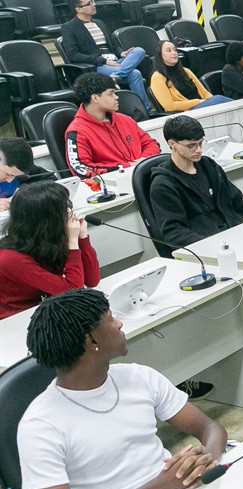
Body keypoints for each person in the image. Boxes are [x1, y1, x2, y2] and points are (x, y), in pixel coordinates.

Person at [18, 288, 227, 489]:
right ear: (91, 340)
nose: (120, 323)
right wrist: (159, 488)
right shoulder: (40, 426)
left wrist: (207, 460)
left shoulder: (138, 377)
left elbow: (210, 428)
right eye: (110, 319)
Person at [148, 115, 243, 248]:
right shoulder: (163, 185)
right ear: (172, 144)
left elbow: (238, 203)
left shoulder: (209, 166)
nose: (199, 150)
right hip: (209, 246)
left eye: (201, 143)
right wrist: (211, 245)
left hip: (236, 235)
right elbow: (174, 233)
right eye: (191, 146)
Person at [0, 181, 100, 319]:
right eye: (64, 209)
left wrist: (82, 237)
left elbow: (92, 280)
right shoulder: (10, 258)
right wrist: (72, 242)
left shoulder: (49, 239)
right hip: (14, 319)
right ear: (48, 220)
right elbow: (74, 291)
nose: (70, 213)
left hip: (44, 309)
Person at [59, 0, 153, 115]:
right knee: (134, 74)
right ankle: (147, 112)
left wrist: (121, 53)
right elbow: (72, 55)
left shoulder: (100, 23)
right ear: (79, 9)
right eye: (89, 3)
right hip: (98, 65)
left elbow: (114, 45)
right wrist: (103, 61)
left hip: (115, 62)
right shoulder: (69, 27)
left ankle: (115, 77)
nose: (94, 4)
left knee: (139, 51)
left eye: (92, 1)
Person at [64, 72, 160, 180]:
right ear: (95, 98)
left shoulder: (124, 119)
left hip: (145, 175)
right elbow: (80, 168)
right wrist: (126, 167)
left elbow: (151, 143)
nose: (116, 97)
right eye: (111, 94)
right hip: (113, 185)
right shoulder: (77, 131)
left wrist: (143, 160)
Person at [150, 41, 233, 112]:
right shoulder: (157, 77)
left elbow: (205, 93)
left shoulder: (185, 71)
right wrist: (199, 102)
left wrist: (211, 102)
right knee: (219, 99)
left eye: (175, 50)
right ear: (160, 55)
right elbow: (170, 106)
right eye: (168, 50)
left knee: (217, 100)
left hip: (202, 106)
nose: (174, 53)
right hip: (187, 112)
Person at [0, 137, 37, 210]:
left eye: (15, 176)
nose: (9, 180)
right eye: (8, 174)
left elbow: (49, 179)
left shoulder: (19, 169)